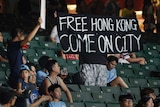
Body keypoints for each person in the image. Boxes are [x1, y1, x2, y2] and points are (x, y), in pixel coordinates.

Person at [7, 17, 42, 89]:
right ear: (18, 34)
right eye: (23, 35)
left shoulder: (15, 47)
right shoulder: (12, 45)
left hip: (19, 76)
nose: (23, 37)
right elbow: (28, 39)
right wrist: (38, 25)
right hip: (16, 77)